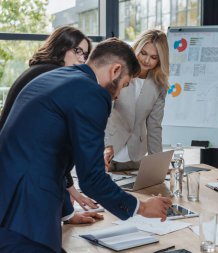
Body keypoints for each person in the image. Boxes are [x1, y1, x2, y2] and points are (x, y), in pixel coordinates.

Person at [0, 38, 172, 253]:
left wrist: (67, 213)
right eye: (124, 84)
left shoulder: (56, 76)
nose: (118, 95)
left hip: (10, 197)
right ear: (115, 70)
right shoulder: (93, 93)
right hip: (25, 210)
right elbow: (92, 180)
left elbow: (50, 154)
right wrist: (143, 207)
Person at [0, 26, 100, 224]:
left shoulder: (40, 71)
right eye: (77, 51)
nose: (82, 59)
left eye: (86, 54)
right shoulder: (52, 76)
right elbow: (55, 152)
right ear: (61, 47)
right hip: (20, 179)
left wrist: (68, 208)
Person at [103, 29, 169, 171]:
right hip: (108, 150)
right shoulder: (118, 72)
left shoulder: (159, 85)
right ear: (136, 49)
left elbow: (154, 126)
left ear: (160, 60)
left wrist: (157, 165)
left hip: (135, 155)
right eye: (143, 53)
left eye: (153, 57)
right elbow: (104, 113)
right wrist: (105, 145)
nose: (146, 60)